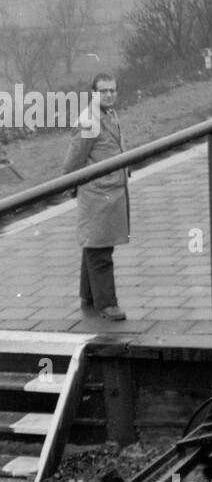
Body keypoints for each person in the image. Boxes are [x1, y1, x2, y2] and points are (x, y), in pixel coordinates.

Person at [62, 73, 130, 321]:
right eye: (104, 91)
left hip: (109, 190)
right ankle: (107, 304)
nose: (110, 94)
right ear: (93, 93)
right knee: (100, 249)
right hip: (98, 193)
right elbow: (73, 160)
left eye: (113, 90)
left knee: (97, 243)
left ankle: (88, 294)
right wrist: (69, 185)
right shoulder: (89, 120)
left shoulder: (108, 114)